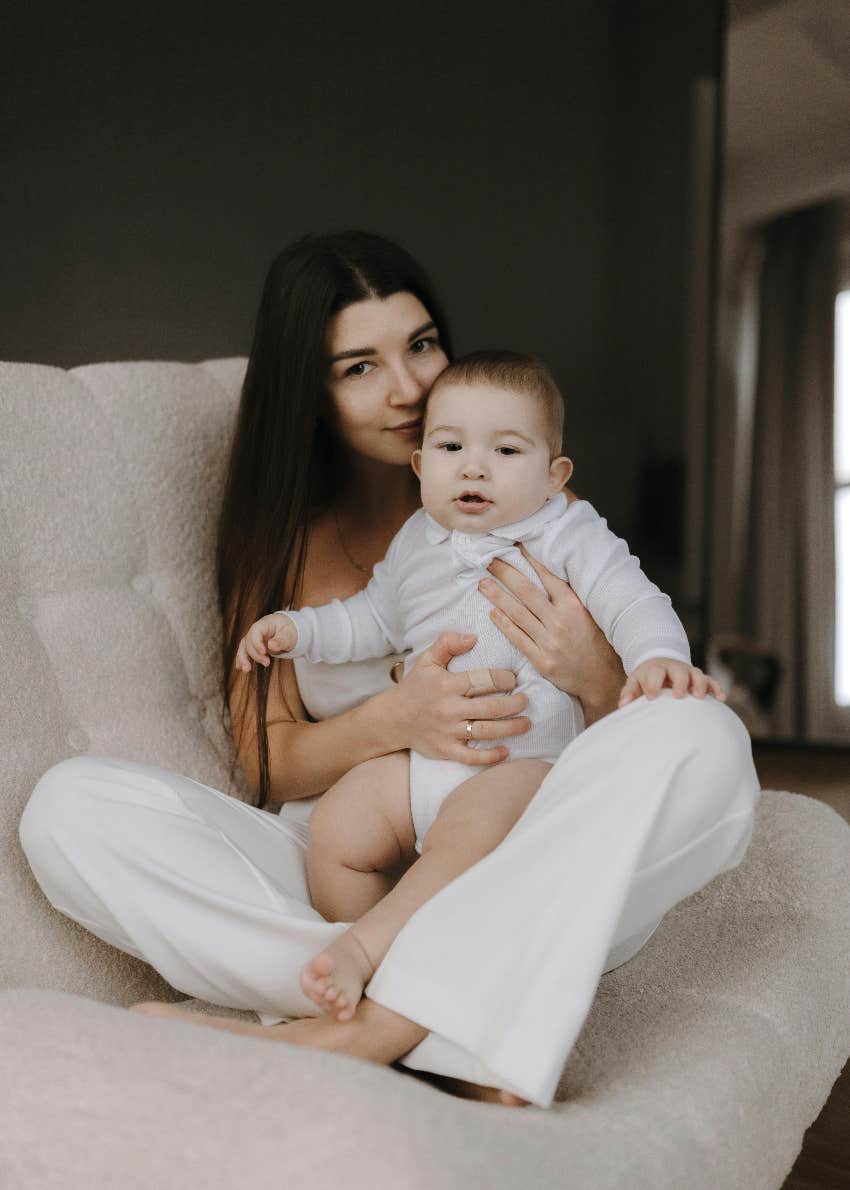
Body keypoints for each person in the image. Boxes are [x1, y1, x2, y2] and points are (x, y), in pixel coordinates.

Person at [18, 230, 760, 1110]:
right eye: (358, 367)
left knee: (707, 738)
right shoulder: (286, 540)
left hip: (527, 842)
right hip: (350, 855)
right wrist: (398, 722)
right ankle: (446, 1000)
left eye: (419, 346)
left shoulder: (530, 507)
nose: (407, 388)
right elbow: (266, 762)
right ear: (313, 393)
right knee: (69, 808)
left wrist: (599, 675)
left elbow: (606, 743)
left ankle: (366, 1025)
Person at [236, 349, 724, 1024]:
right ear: (420, 465)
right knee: (336, 831)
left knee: (464, 841)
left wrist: (657, 657)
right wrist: (297, 631)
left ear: (555, 476)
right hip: (422, 762)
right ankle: (407, 981)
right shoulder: (415, 539)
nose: (473, 466)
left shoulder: (563, 529)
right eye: (451, 446)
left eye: (505, 450)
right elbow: (370, 619)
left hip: (520, 767)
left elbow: (630, 597)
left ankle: (366, 951)